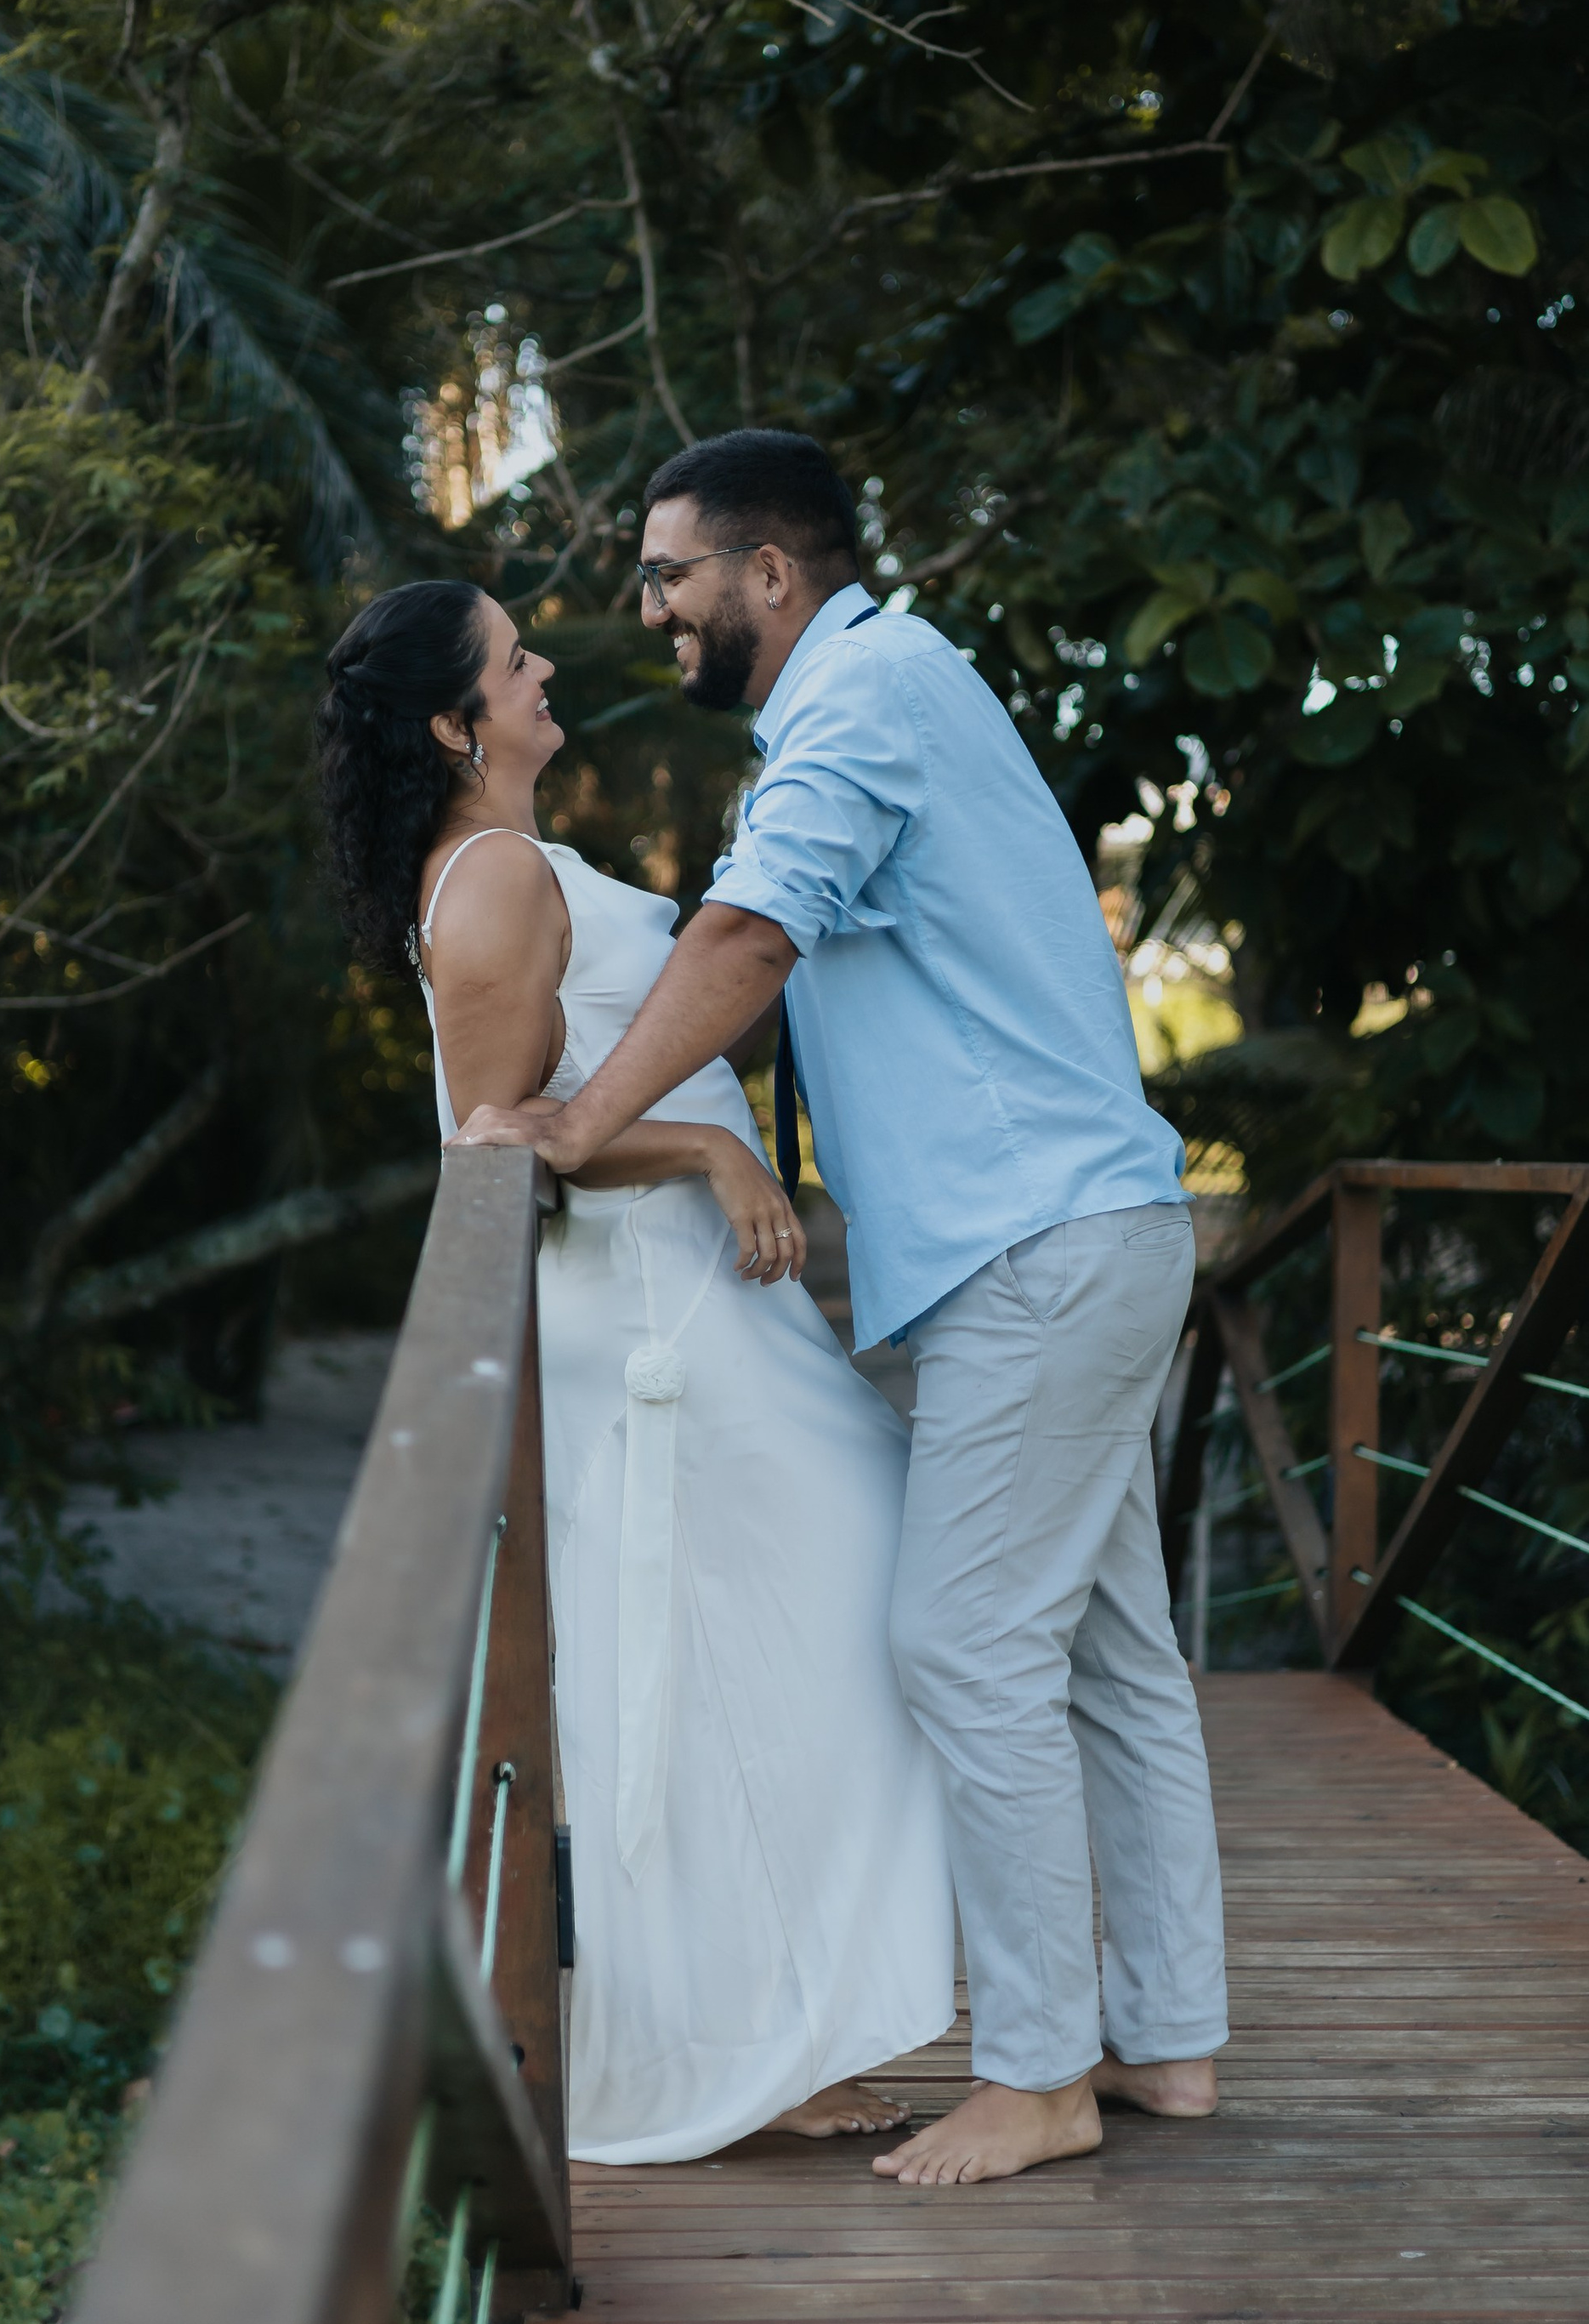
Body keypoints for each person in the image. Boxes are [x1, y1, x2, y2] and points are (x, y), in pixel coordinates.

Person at [453, 429, 1229, 2186]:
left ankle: (1040, 2071)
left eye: (669, 576)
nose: (651, 610)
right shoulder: (881, 688)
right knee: (1107, 1654)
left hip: (1037, 1247)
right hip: (1077, 1229)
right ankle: (1166, 2038)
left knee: (964, 1643)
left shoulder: (861, 701)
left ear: (768, 573)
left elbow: (748, 940)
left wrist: (575, 1124)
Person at [315, 578, 956, 2165]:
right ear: (456, 724)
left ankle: (793, 2023)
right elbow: (496, 1140)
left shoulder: (514, 862)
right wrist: (706, 1154)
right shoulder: (489, 882)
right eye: (512, 657)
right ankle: (755, 2044)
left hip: (697, 1309)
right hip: (652, 1323)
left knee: (788, 1647)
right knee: (775, 1640)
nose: (544, 667)